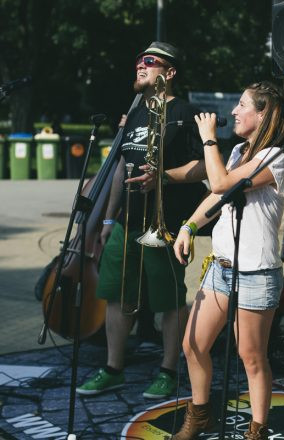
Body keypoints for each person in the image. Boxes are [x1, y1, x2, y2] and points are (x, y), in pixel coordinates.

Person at [76, 42, 207, 399]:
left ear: (170, 72)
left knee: (168, 300)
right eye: (139, 60)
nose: (141, 65)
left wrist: (163, 176)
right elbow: (120, 167)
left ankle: (168, 368)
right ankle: (113, 367)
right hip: (125, 222)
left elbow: (206, 166)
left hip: (166, 222)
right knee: (118, 296)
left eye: (151, 61)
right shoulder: (133, 113)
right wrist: (106, 221)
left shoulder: (186, 112)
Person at [171, 81, 284, 440]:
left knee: (251, 356)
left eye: (242, 105)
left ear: (262, 114)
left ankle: (257, 429)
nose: (235, 112)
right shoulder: (240, 150)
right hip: (221, 267)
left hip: (256, 273)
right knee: (192, 344)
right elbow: (215, 197)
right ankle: (200, 414)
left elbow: (221, 183)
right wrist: (189, 226)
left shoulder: (276, 159)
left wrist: (208, 138)